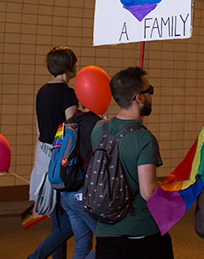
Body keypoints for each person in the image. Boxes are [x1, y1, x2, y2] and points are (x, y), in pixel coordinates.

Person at [90, 66, 172, 259]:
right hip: (140, 232)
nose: (151, 95)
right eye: (149, 90)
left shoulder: (99, 129)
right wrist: (176, 192)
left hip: (105, 230)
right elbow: (148, 191)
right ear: (139, 98)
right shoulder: (144, 138)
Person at [29, 47, 79, 259]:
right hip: (62, 158)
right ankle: (37, 256)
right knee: (68, 219)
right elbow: (72, 130)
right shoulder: (68, 94)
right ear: (68, 66)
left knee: (58, 216)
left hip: (44, 154)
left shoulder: (42, 91)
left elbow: (40, 131)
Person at [60, 104, 101, 259]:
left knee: (82, 246)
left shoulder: (68, 122)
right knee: (108, 243)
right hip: (83, 193)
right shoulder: (97, 125)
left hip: (67, 194)